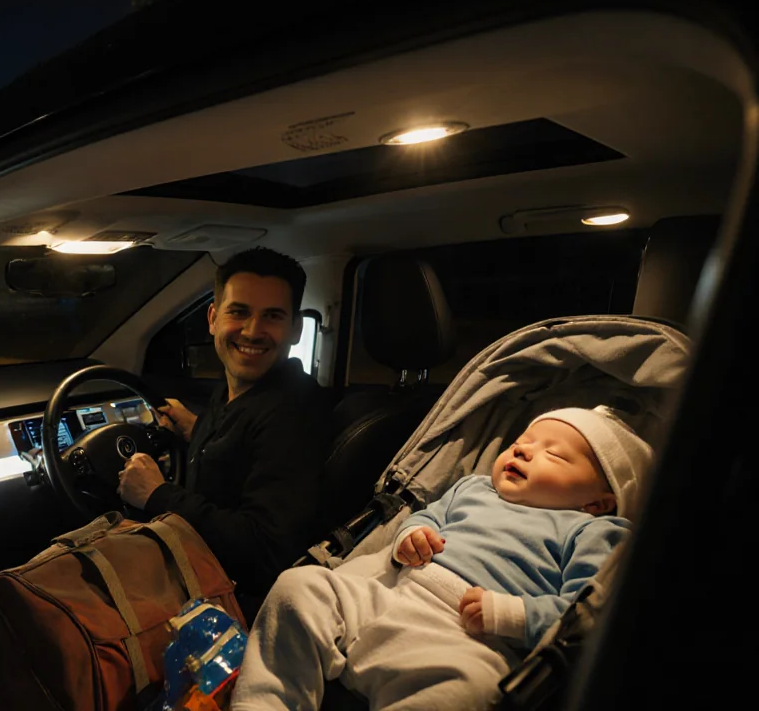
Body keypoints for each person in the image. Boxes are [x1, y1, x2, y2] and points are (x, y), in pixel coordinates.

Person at [229, 405, 651, 711]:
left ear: (598, 502)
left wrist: (513, 614)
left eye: (554, 454)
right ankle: (266, 702)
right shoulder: (473, 488)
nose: (523, 451)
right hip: (393, 593)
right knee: (300, 586)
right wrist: (411, 536)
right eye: (521, 442)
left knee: (469, 693)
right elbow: (426, 515)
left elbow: (585, 613)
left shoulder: (595, 532)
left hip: (470, 638)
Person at [116, 246, 333, 613]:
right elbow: (247, 446)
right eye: (239, 312)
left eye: (272, 316)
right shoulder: (243, 390)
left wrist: (156, 493)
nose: (253, 331)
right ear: (213, 318)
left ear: (295, 329)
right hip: (193, 571)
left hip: (227, 605)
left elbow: (266, 550)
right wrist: (197, 428)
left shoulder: (295, 411)